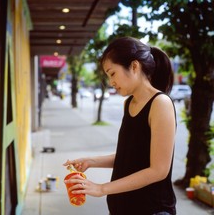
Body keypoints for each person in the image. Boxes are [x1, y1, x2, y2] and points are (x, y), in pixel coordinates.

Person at [63, 36, 176, 215]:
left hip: (151, 209)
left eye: (112, 73)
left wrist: (101, 188)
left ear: (134, 66)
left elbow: (159, 170)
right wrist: (91, 162)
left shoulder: (160, 103)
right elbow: (130, 156)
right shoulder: (129, 103)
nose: (111, 82)